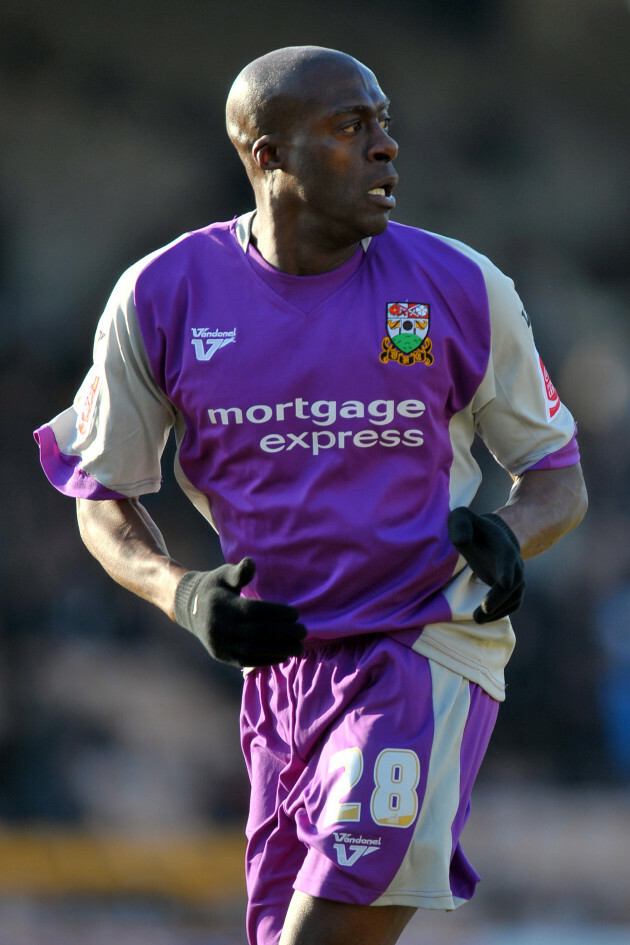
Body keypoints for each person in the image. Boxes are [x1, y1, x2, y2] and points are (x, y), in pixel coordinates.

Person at [34, 45, 587, 945]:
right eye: (349, 127)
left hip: (424, 647)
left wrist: (509, 533)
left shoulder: (460, 286)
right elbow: (100, 494)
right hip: (282, 677)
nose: (385, 148)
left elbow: (560, 478)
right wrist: (180, 591)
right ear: (267, 155)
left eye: (384, 124)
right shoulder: (160, 298)